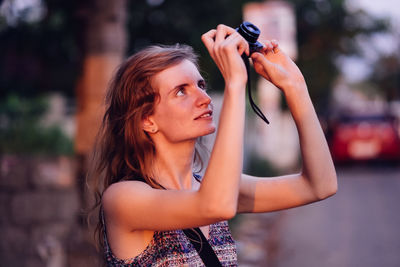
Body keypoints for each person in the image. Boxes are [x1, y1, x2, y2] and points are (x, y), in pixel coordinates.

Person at [87, 24, 337, 266]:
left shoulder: (215, 187)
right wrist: (235, 84)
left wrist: (295, 86)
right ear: (147, 120)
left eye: (201, 85)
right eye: (181, 91)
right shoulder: (123, 199)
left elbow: (319, 186)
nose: (204, 99)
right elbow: (216, 205)